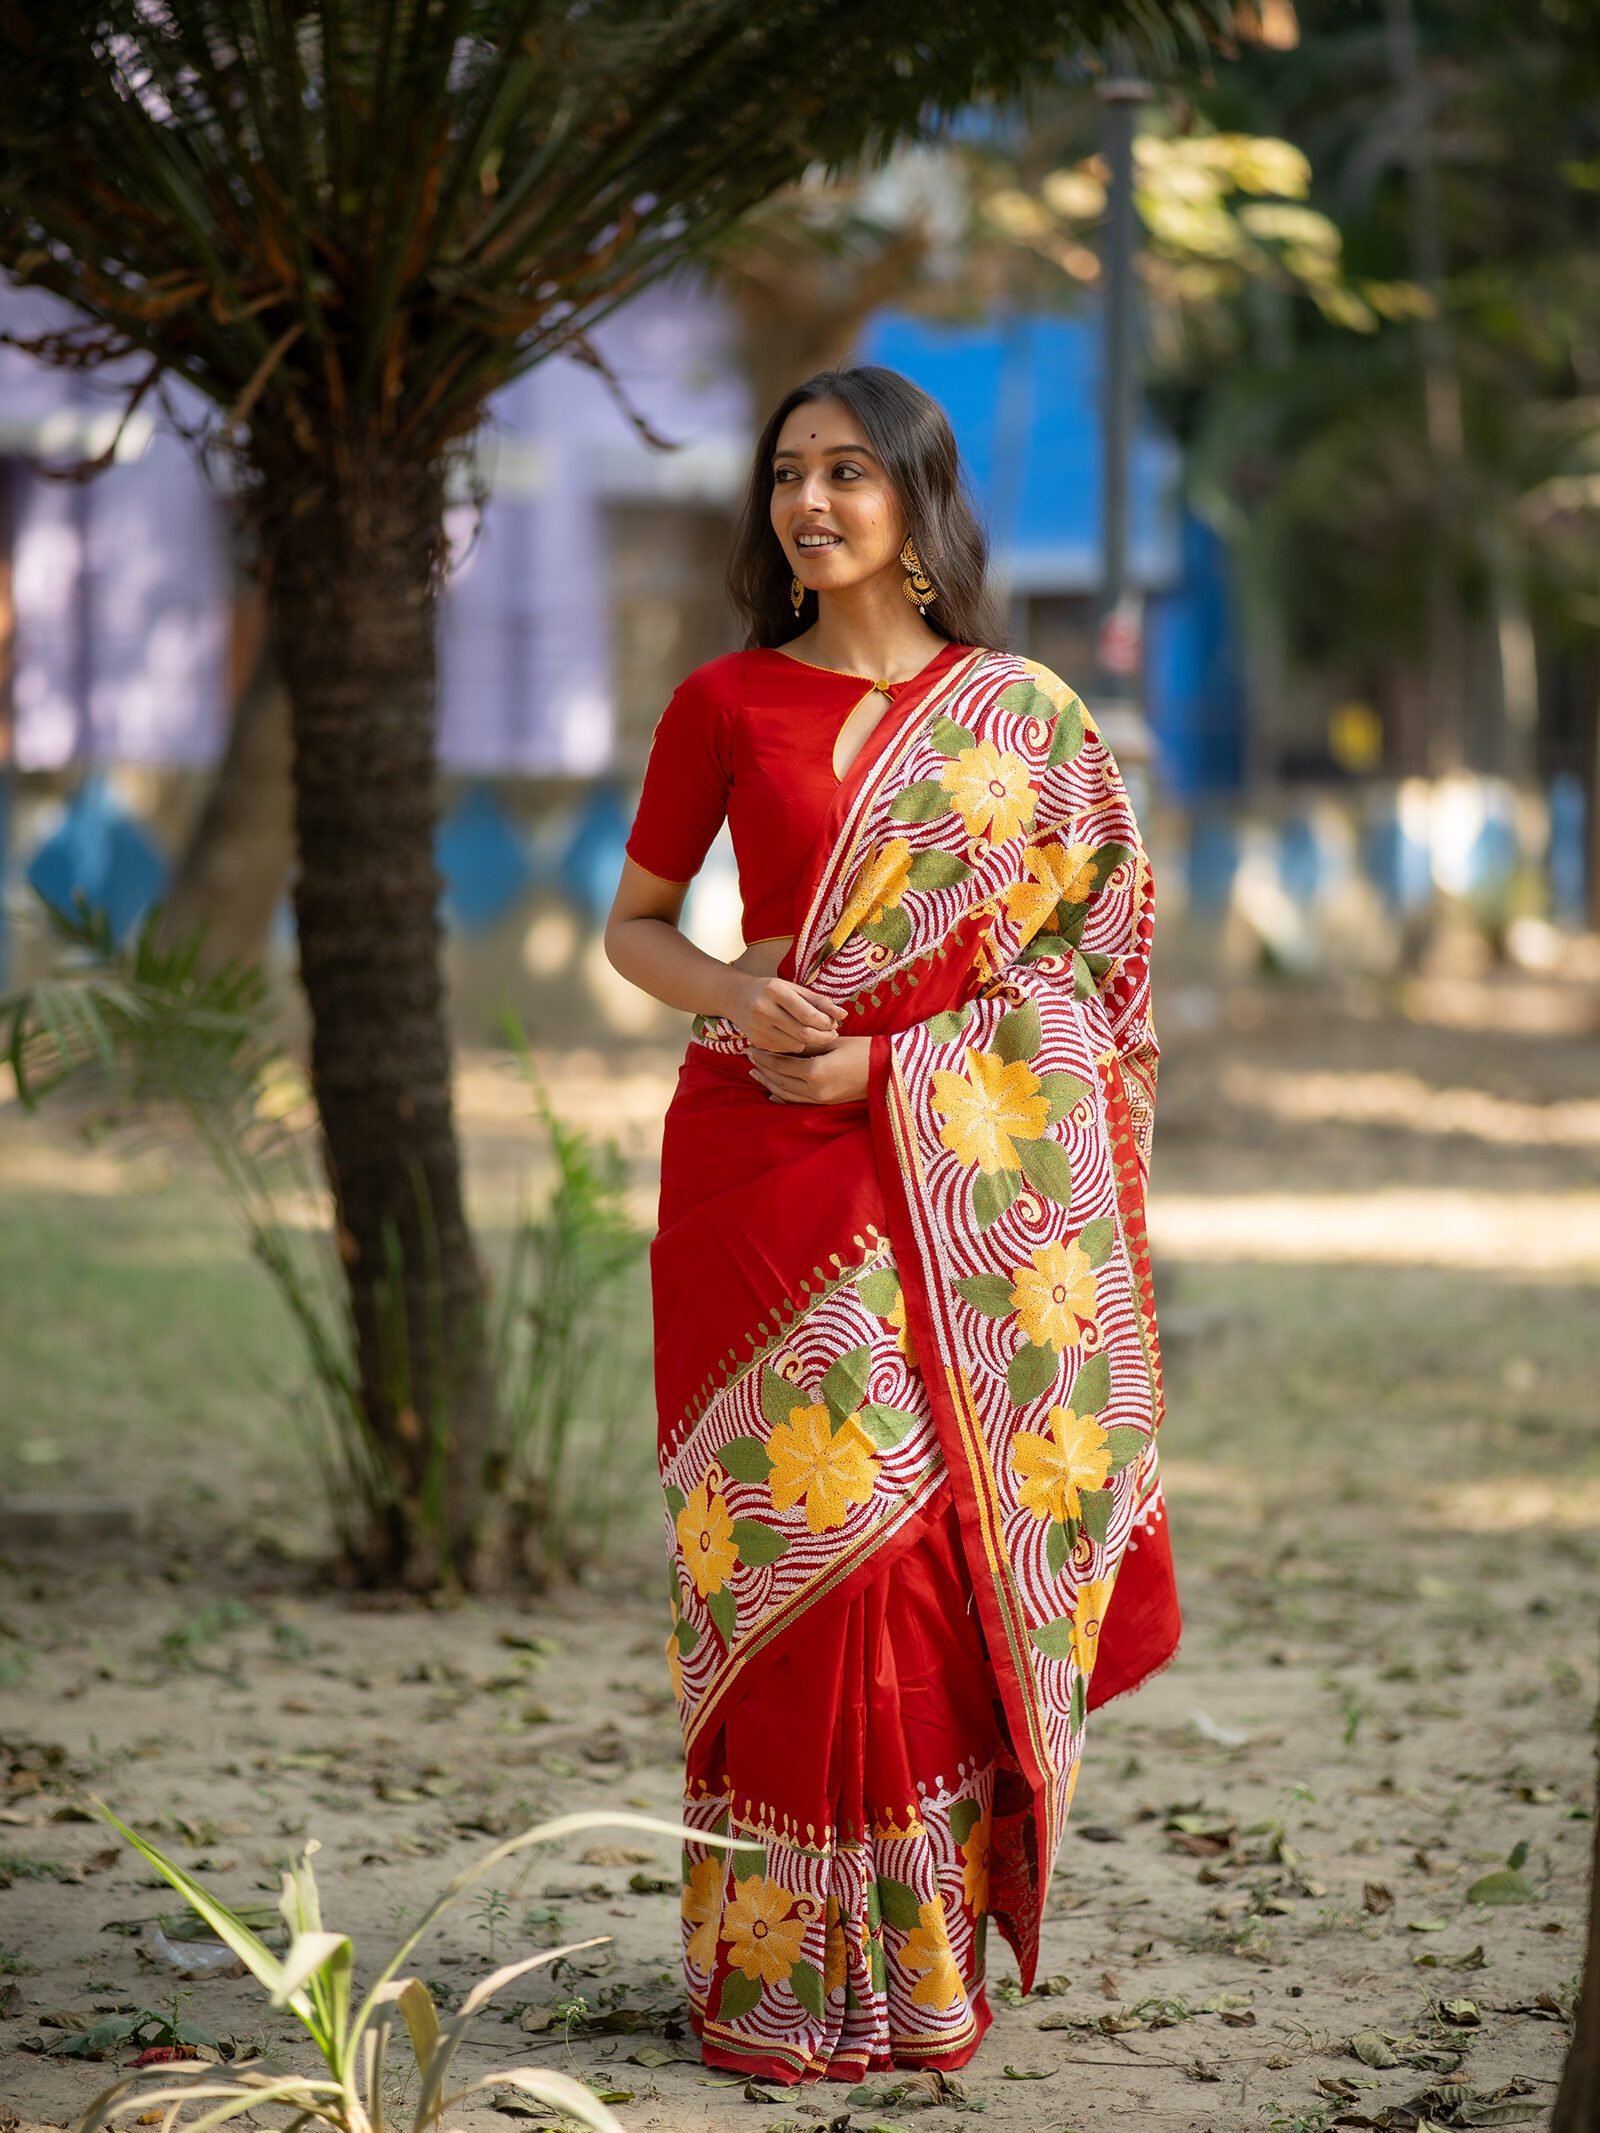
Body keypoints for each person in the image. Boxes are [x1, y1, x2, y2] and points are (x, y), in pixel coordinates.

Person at [604, 364, 1180, 2085]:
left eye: (850, 471)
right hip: (749, 1170)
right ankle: (772, 1978)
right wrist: (736, 987)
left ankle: (916, 1971)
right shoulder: (721, 700)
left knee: (916, 1568)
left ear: (919, 505)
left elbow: (1101, 970)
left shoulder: (1023, 720)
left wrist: (894, 1069)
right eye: (789, 472)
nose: (811, 502)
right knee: (784, 1559)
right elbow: (637, 928)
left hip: (952, 1192)